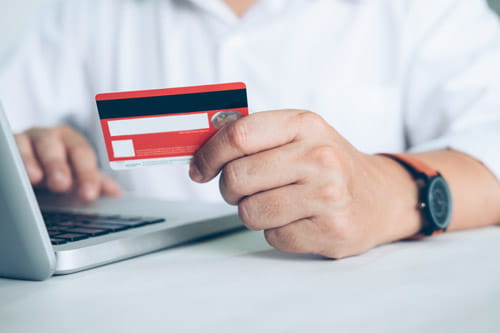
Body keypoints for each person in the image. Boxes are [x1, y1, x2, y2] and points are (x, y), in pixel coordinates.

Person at [1, 0, 500, 259]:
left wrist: (390, 192)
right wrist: (34, 158)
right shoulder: (79, 11)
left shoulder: (426, 9)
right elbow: (12, 130)